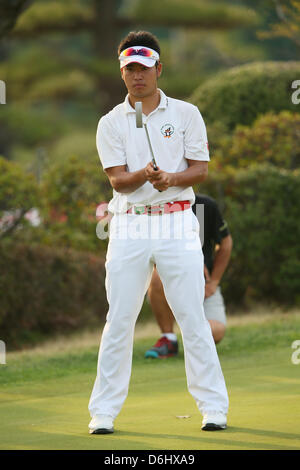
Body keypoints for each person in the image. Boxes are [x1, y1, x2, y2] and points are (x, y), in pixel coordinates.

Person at [88, 30, 229, 434]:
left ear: (159, 69)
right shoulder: (111, 122)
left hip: (177, 221)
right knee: (120, 319)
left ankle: (213, 407)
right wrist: (143, 176)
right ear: (122, 72)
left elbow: (199, 169)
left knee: (191, 316)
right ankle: (103, 413)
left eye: (144, 68)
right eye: (130, 69)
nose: (137, 76)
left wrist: (171, 177)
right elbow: (117, 181)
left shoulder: (186, 113)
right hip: (130, 224)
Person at [145, 193, 233, 359]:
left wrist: (213, 282)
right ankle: (169, 339)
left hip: (204, 286)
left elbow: (226, 243)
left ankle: (192, 335)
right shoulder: (154, 208)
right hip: (170, 280)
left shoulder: (205, 205)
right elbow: (149, 251)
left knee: (216, 332)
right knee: (156, 277)